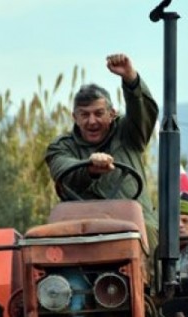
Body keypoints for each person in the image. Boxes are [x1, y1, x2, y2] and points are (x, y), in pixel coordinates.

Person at [45, 53, 159, 249]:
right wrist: (90, 167)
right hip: (82, 229)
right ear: (75, 117)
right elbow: (62, 168)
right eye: (84, 115)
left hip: (134, 226)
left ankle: (148, 278)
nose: (92, 121)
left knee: (147, 234)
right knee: (51, 244)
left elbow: (143, 114)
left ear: (112, 114)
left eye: (99, 113)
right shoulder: (61, 147)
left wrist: (131, 80)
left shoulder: (128, 134)